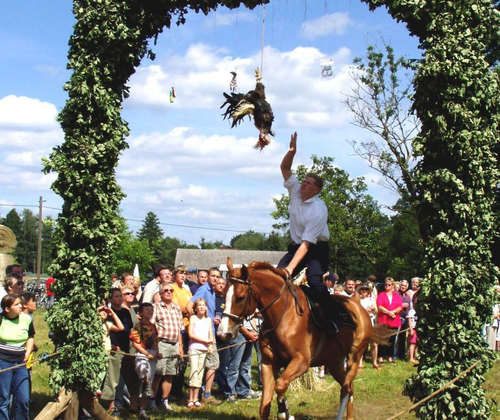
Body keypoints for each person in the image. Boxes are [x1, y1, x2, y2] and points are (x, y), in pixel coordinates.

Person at [278, 132, 337, 331]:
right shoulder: (295, 191)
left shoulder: (318, 209)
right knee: (277, 277)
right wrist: (291, 151)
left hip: (316, 249)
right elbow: (285, 168)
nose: (304, 183)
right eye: (304, 181)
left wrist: (290, 269)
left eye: (309, 183)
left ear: (317, 190)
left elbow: (307, 244)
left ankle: (333, 318)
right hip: (297, 246)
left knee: (314, 281)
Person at [100, 288, 140, 416]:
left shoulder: (126, 312)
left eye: (120, 296)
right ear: (110, 299)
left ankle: (134, 407)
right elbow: (107, 332)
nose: (119, 298)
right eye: (116, 296)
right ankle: (111, 407)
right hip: (115, 350)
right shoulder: (107, 314)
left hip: (126, 349)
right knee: (112, 379)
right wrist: (112, 345)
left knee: (132, 378)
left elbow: (128, 330)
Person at [0, 294, 35, 420]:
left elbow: (30, 337)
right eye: (16, 304)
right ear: (7, 309)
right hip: (3, 363)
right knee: (3, 399)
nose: (21, 306)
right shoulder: (1, 319)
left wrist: (27, 352)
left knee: (23, 399)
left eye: (20, 303)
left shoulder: (27, 319)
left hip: (20, 363)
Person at [151, 283, 184, 412]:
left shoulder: (176, 308)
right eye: (166, 290)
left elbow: (180, 329)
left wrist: (180, 346)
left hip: (174, 344)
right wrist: (155, 347)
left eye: (171, 290)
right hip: (161, 343)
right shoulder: (156, 307)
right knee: (158, 374)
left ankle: (165, 401)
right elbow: (151, 328)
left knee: (170, 374)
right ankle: (152, 402)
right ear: (161, 293)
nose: (169, 292)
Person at [130, 303, 163, 420]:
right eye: (147, 309)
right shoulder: (138, 326)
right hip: (142, 353)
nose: (149, 311)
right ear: (141, 313)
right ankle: (146, 383)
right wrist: (146, 353)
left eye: (151, 309)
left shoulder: (153, 327)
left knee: (149, 381)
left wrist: (157, 353)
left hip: (152, 355)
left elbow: (156, 342)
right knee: (142, 369)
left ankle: (142, 410)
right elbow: (135, 343)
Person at [170, 265, 193, 401]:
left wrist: (189, 310)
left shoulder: (186, 290)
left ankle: (178, 389)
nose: (183, 276)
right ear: (175, 275)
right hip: (179, 328)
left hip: (188, 327)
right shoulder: (172, 289)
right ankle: (172, 391)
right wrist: (189, 310)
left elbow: (192, 305)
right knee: (177, 360)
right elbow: (177, 307)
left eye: (185, 273)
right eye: (180, 273)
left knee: (184, 361)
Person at [187, 298, 214, 409]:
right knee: (193, 372)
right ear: (196, 308)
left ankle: (196, 399)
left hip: (204, 349)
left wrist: (210, 345)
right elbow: (191, 334)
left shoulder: (208, 320)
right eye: (199, 305)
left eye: (203, 305)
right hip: (194, 348)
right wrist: (204, 341)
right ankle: (190, 399)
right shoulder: (193, 318)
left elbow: (210, 333)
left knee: (200, 373)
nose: (202, 307)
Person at [377, 278, 403, 365]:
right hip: (383, 319)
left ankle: (390, 357)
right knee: (383, 339)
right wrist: (389, 312)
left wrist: (393, 312)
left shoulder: (397, 296)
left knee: (392, 339)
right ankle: (381, 357)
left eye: (389, 284)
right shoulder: (381, 295)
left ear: (392, 286)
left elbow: (400, 306)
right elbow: (379, 306)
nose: (387, 286)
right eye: (386, 284)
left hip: (394, 320)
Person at [357, 283, 380, 370]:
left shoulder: (371, 299)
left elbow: (376, 311)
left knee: (374, 343)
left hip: (370, 321)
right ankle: (360, 363)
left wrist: (373, 309)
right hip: (361, 322)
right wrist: (365, 310)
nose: (364, 291)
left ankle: (374, 362)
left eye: (366, 289)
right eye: (362, 289)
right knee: (361, 342)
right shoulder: (358, 300)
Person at [395, 279, 412, 361]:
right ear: (400, 285)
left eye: (405, 286)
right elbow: (393, 305)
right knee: (396, 336)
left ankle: (401, 354)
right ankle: (393, 354)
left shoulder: (408, 296)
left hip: (405, 318)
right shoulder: (396, 294)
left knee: (403, 337)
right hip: (397, 317)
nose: (403, 287)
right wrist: (401, 305)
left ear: (407, 286)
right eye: (402, 285)